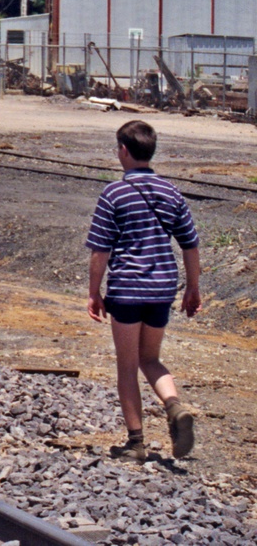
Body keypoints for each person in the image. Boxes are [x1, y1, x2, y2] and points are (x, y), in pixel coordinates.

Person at [86, 120, 202, 461]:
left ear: (124, 150)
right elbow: (190, 245)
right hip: (162, 289)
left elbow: (100, 251)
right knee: (150, 358)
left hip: (127, 289)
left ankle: (136, 443)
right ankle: (175, 407)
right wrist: (192, 287)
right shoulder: (171, 193)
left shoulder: (114, 194)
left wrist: (94, 292)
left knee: (127, 366)